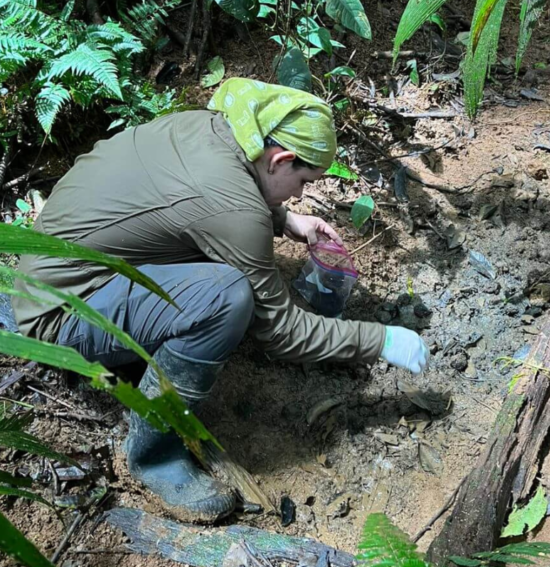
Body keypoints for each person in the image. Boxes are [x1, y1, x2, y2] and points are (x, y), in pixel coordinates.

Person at [11, 78, 429, 522]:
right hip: (60, 314)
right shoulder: (235, 210)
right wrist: (381, 340)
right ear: (280, 158)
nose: (301, 194)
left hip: (55, 271)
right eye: (302, 181)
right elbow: (282, 333)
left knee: (221, 272)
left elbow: (205, 199)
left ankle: (141, 350)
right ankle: (156, 455)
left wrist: (288, 219)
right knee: (226, 298)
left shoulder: (214, 127)